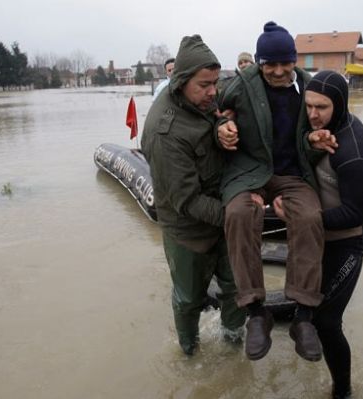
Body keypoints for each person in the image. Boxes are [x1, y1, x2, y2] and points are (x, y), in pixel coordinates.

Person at [217, 21, 335, 362]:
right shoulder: (240, 85)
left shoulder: (309, 89)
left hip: (290, 173)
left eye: (286, 63)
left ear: (295, 59)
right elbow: (215, 113)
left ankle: (303, 316)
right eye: (270, 64)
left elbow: (315, 134)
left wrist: (314, 141)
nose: (280, 71)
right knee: (238, 214)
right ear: (258, 62)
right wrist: (222, 128)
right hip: (249, 172)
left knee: (311, 216)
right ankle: (256, 311)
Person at [274, 70, 363, 399]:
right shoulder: (316, 128)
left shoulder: (358, 152)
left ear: (340, 104)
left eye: (322, 107)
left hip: (349, 239)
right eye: (308, 106)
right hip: (317, 230)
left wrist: (300, 218)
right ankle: (301, 323)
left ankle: (343, 392)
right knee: (305, 304)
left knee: (328, 321)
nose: (313, 115)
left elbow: (354, 214)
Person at [141, 35, 246, 356]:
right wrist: (237, 217)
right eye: (205, 85)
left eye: (215, 82)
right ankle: (189, 350)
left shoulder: (202, 98)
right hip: (188, 230)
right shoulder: (164, 131)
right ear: (181, 81)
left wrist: (222, 127)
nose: (213, 91)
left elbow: (216, 114)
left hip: (220, 211)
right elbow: (185, 201)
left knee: (236, 287)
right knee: (188, 299)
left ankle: (232, 341)